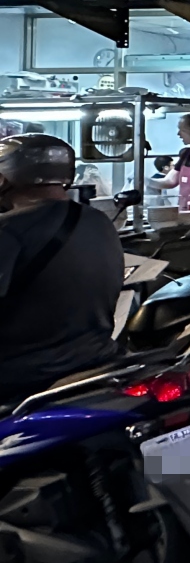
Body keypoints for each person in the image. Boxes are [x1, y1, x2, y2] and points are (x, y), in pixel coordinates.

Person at [0, 135, 122, 402]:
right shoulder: (98, 220)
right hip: (97, 356)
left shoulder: (9, 230)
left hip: (25, 373)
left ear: (3, 180)